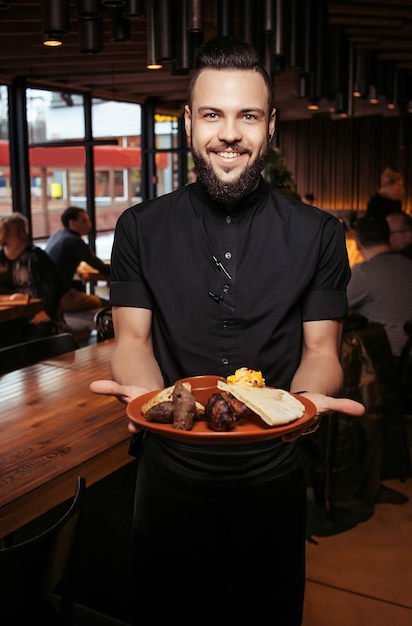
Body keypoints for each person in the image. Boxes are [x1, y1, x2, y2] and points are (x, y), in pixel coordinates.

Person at [90, 36, 365, 625]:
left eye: (248, 115)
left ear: (271, 126)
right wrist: (147, 401)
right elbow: (133, 342)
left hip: (272, 476)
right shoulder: (139, 229)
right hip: (169, 476)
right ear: (189, 123)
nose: (230, 133)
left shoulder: (318, 234)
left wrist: (304, 404)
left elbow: (322, 351)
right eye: (212, 114)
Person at [347, 215, 412, 357]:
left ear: (357, 244)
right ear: (388, 238)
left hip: (385, 362)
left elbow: (331, 305)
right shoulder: (408, 263)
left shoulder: (363, 273)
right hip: (407, 357)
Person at [0, 213, 64, 346]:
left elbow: (55, 283)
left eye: (24, 229)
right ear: (4, 236)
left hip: (38, 313)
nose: (24, 234)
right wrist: (13, 296)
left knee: (32, 342)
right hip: (10, 315)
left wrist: (49, 312)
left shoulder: (36, 255)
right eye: (17, 232)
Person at [45, 206, 110, 312]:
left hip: (48, 296)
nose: (89, 225)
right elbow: (100, 267)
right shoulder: (74, 241)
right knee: (105, 304)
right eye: (84, 221)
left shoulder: (57, 235)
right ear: (72, 223)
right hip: (60, 298)